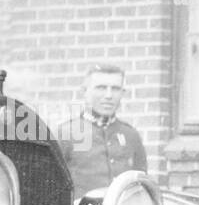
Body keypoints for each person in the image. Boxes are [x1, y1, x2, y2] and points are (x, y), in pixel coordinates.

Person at [58, 63, 148, 194]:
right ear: (85, 92)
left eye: (115, 89)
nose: (109, 95)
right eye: (101, 88)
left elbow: (141, 186)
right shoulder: (65, 134)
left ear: (122, 93)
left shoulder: (130, 135)